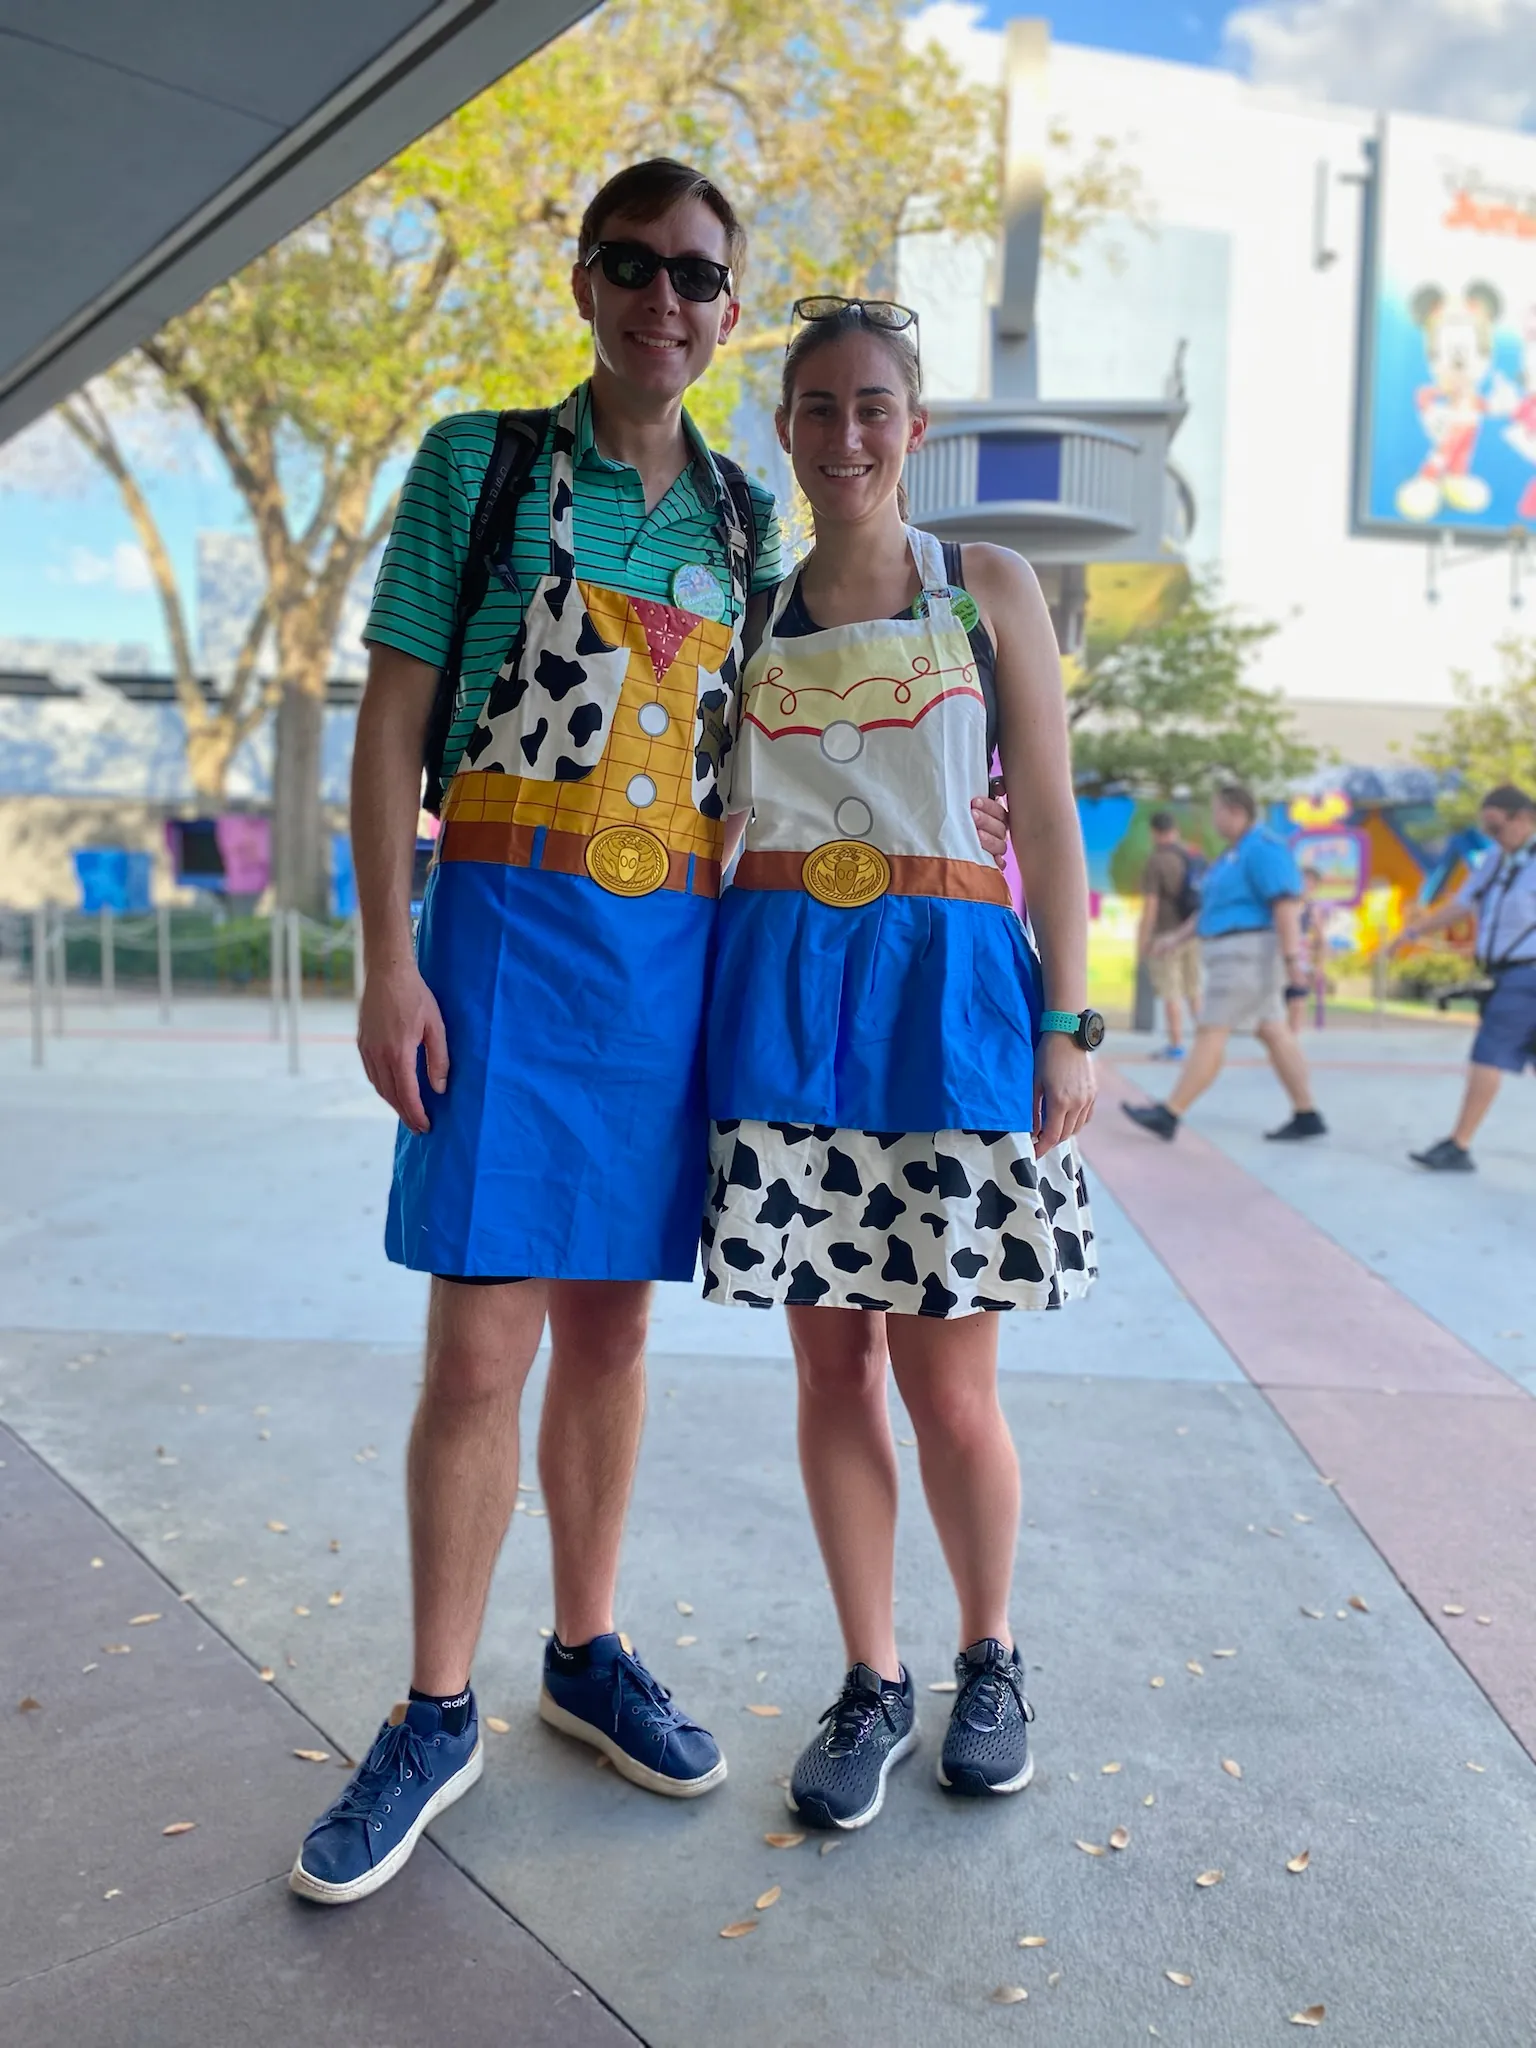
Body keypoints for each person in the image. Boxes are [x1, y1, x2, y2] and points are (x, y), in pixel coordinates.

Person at [290, 165, 1010, 1907]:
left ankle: (582, 1649)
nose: (662, 300)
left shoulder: (753, 522)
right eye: (633, 266)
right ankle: (436, 1702)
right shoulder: (478, 467)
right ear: (586, 278)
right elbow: (389, 734)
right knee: (479, 1347)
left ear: (729, 308)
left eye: (697, 275)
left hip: (675, 964)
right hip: (506, 946)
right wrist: (388, 955)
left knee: (610, 1339)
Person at [701, 297, 1099, 1830]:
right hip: (788, 1004)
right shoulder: (750, 610)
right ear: (787, 432)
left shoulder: (987, 588)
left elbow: (1050, 818)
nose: (847, 435)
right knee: (831, 1363)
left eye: (874, 407)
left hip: (951, 998)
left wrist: (1071, 1019)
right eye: (817, 409)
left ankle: (986, 1658)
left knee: (951, 1376)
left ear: (913, 429)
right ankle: (870, 1679)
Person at [1121, 782, 1326, 1144]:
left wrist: (1294, 959)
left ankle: (1170, 1113)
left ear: (1235, 811)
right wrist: (1175, 938)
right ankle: (1306, 1112)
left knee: (1211, 1031)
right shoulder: (1234, 856)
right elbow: (1210, 911)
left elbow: (1285, 904)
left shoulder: (1262, 851)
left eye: (1217, 811)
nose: (1213, 820)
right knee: (1273, 1029)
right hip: (1234, 952)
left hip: (1245, 955)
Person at [1395, 783, 1536, 1172]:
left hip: (1527, 975)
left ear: (1524, 819)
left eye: (1497, 827)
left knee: (1488, 1053)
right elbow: (1461, 905)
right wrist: (1411, 933)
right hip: (1502, 973)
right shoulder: (1495, 860)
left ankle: (1459, 1144)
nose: (1492, 836)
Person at [1137, 810, 1203, 1058]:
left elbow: (1151, 907)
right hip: (1191, 932)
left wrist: (1144, 941)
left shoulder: (1156, 861)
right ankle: (1206, 1044)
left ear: (1154, 832)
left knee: (1171, 992)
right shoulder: (1191, 855)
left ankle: (1176, 1045)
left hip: (1166, 936)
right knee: (1194, 989)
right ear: (1174, 829)